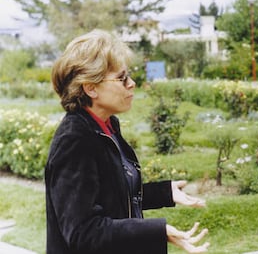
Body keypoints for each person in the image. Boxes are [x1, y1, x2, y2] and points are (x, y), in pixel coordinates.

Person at [45, 29, 209, 254]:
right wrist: (157, 231)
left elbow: (111, 195)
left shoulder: (106, 126)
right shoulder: (75, 140)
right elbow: (83, 232)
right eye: (122, 79)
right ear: (90, 87)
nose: (131, 83)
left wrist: (165, 192)